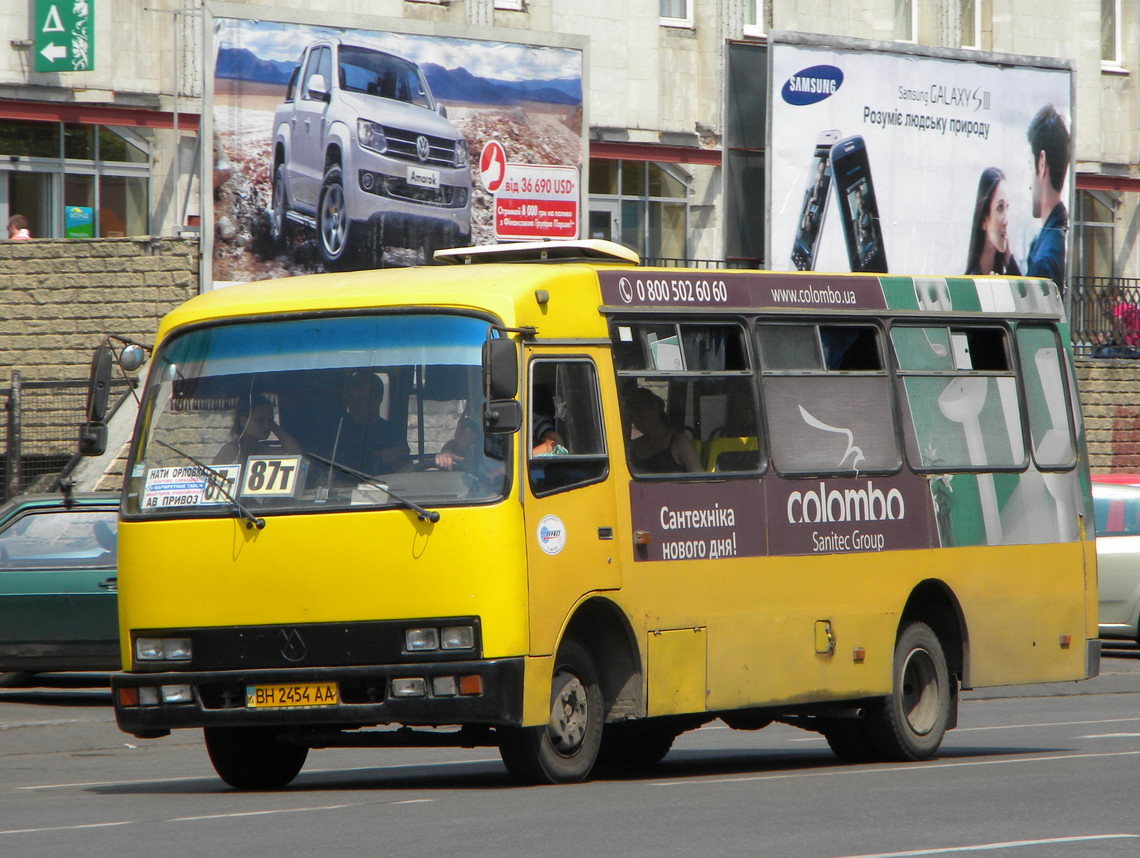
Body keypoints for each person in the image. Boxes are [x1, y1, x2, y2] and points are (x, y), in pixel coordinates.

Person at [1026, 105, 1071, 294]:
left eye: (1030, 166)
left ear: (1041, 163)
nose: (1029, 184)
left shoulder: (1045, 259)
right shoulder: (1053, 237)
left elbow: (1030, 319)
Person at [331, 370, 409, 474]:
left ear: (379, 399)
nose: (355, 404)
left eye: (362, 398)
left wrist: (395, 457)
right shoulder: (338, 430)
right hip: (341, 488)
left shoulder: (392, 433)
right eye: (351, 398)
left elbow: (406, 470)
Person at [625, 386, 701, 474]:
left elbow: (698, 479)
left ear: (655, 408)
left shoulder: (680, 442)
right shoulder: (634, 446)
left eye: (640, 414)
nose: (637, 421)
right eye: (632, 417)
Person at [965, 167, 1021, 276]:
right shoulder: (970, 283)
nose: (1006, 220)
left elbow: (1024, 292)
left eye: (1007, 207)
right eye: (1000, 208)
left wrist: (1008, 254)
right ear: (984, 220)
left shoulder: (1002, 278)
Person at [214, 395, 301, 464]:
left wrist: (274, 426)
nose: (267, 425)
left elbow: (297, 455)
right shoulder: (232, 450)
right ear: (244, 421)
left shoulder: (260, 449)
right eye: (260, 420)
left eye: (270, 420)